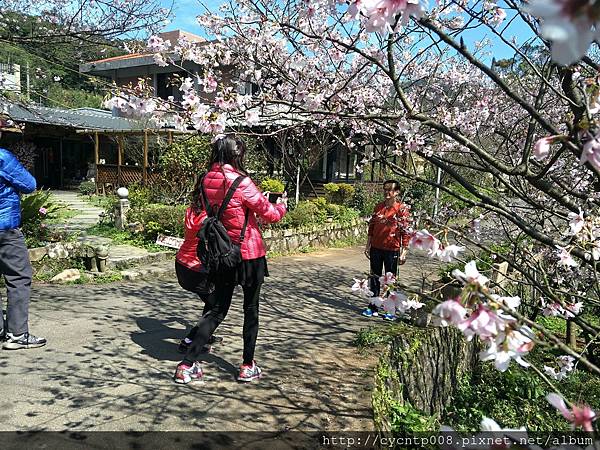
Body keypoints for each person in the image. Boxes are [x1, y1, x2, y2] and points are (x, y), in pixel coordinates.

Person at [173, 134, 287, 384]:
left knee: (216, 310)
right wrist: (281, 206)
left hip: (222, 253)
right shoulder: (242, 181)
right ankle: (247, 365)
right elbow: (269, 214)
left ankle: (187, 364)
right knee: (250, 309)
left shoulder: (204, 179)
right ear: (237, 155)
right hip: (249, 254)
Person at [0, 147, 46, 349]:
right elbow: (29, 184)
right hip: (5, 228)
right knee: (18, 278)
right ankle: (17, 334)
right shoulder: (2, 157)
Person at [174, 175, 223, 355]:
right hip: (198, 269)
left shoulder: (191, 210)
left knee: (210, 301)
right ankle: (189, 341)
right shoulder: (209, 216)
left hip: (182, 264)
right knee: (217, 306)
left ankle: (205, 334)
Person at [363, 179, 411, 320]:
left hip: (392, 249)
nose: (387, 192)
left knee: (390, 280)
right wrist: (368, 245)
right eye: (385, 189)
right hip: (376, 248)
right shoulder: (378, 207)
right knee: (374, 277)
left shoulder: (401, 210)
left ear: (397, 192)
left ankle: (390, 310)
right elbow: (371, 227)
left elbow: (405, 232)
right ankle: (373, 306)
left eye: (390, 189)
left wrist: (404, 251)